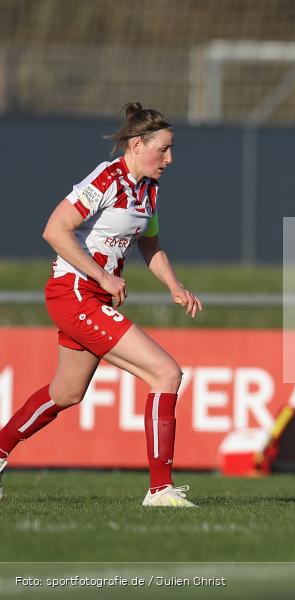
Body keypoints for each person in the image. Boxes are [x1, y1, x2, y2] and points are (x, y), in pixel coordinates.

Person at [0, 103, 203, 507]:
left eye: (172, 149)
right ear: (136, 144)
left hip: (90, 295)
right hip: (74, 292)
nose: (170, 158)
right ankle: (160, 489)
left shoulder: (148, 189)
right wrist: (103, 276)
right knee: (166, 373)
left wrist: (174, 285)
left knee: (66, 392)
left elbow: (150, 243)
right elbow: (55, 230)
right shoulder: (107, 178)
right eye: (163, 149)